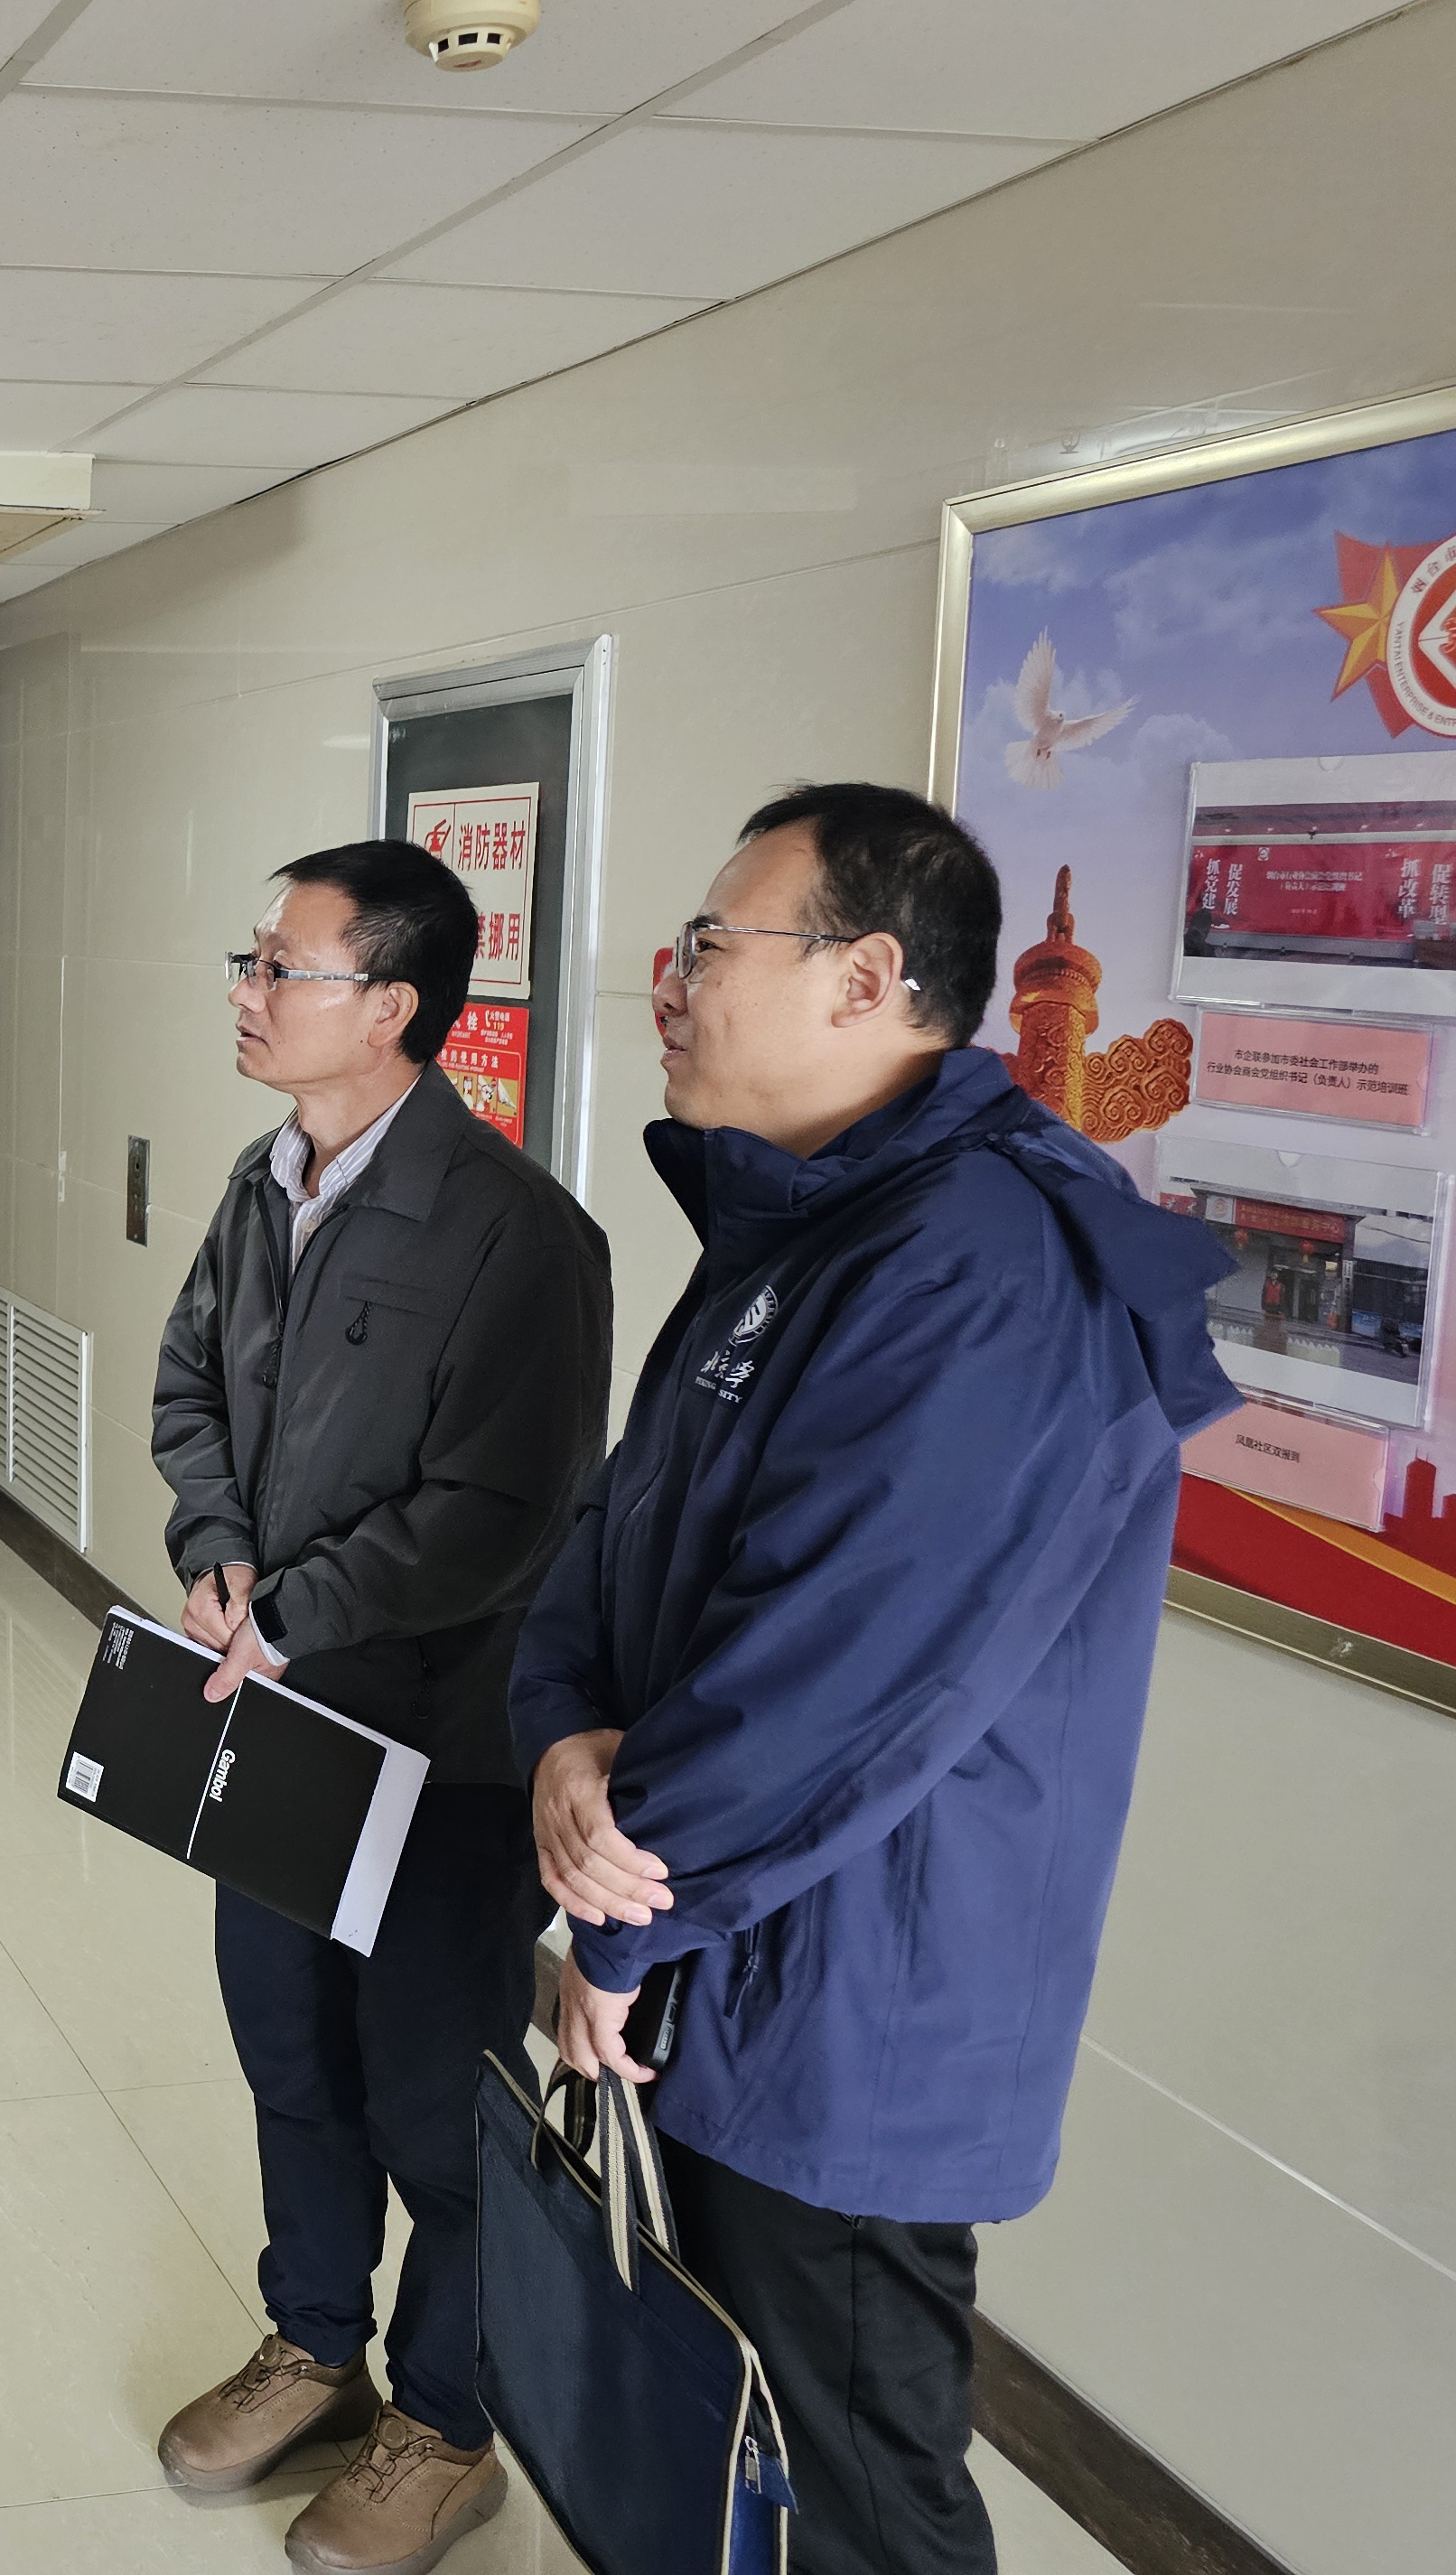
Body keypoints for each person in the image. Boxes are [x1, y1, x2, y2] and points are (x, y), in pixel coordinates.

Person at [511, 785, 1232, 2575]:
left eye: (708, 943)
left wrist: (618, 1922)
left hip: (851, 2005)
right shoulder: (808, 1220)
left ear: (864, 979)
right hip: (733, 1945)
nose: (669, 982)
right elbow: (620, 1525)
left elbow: (838, 1683)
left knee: (851, 2487)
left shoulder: (981, 1264)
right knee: (737, 2439)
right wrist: (559, 1730)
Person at [148, 841, 612, 2575]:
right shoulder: (262, 1183)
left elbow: (500, 1513)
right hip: (276, 1718)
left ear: (392, 1008)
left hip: (443, 1743)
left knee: (435, 2089)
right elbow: (189, 1385)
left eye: (285, 966)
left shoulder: (520, 1235)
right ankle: (317, 2343)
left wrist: (295, 1611)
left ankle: (450, 2415)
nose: (249, 990)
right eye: (252, 958)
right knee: (287, 2046)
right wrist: (216, 1550)